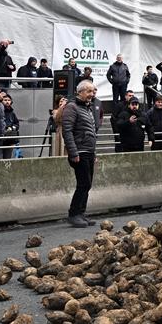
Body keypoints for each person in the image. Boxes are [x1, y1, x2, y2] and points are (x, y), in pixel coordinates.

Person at [61, 80, 100, 228]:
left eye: (93, 91)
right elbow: (67, 131)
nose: (92, 94)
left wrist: (93, 152)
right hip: (79, 152)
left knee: (87, 184)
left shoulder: (87, 108)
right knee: (83, 183)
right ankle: (73, 214)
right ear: (80, 92)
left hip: (88, 151)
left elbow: (91, 132)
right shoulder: (72, 107)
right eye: (89, 91)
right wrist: (73, 152)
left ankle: (81, 213)